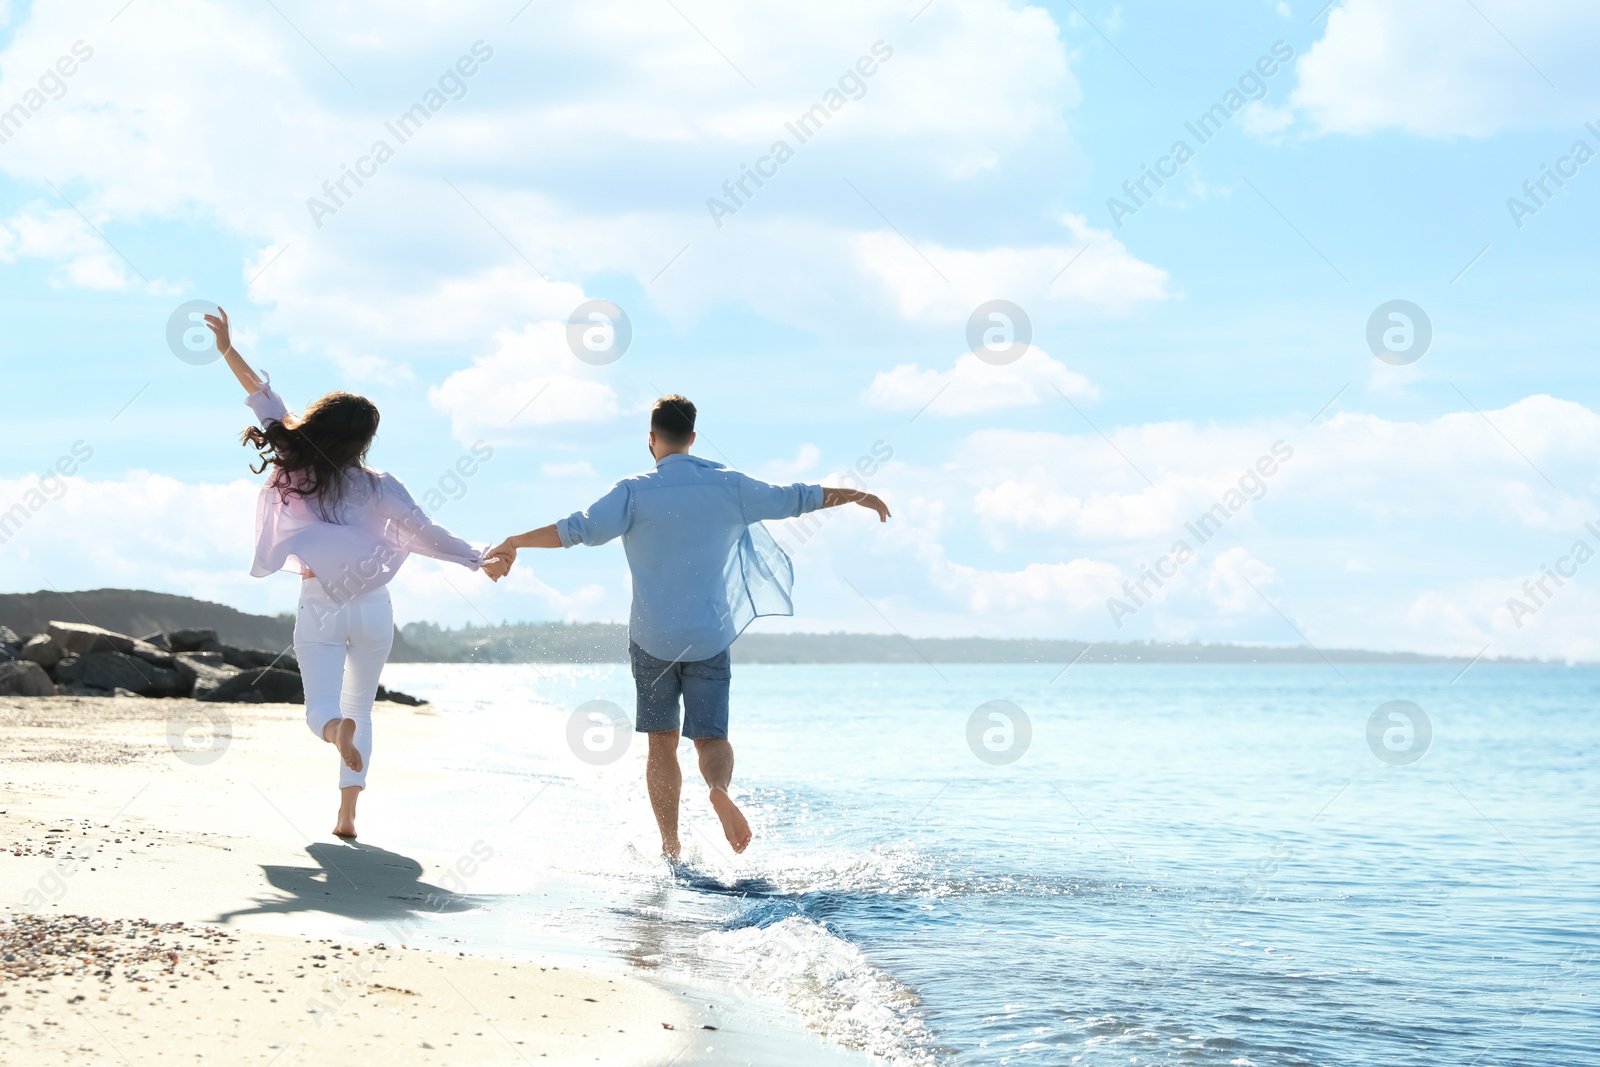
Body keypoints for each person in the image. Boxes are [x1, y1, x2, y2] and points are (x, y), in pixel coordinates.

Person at [486, 395, 889, 860]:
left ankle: (671, 848)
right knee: (711, 738)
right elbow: (798, 498)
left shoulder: (632, 491)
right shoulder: (729, 485)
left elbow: (576, 529)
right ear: (694, 438)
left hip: (652, 638)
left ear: (652, 440)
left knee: (662, 743)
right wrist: (856, 495)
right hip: (709, 636)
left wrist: (516, 541)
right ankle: (717, 789)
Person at [206, 307, 507, 839]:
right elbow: (425, 529)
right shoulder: (380, 484)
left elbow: (262, 396)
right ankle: (347, 815)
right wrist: (476, 557)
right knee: (361, 708)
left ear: (319, 423)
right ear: (364, 440)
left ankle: (332, 733)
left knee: (321, 709)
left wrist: (228, 347)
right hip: (374, 608)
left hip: (319, 600)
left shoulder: (293, 461)